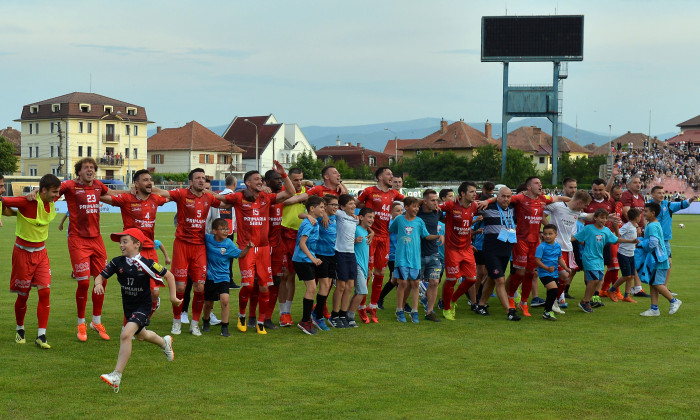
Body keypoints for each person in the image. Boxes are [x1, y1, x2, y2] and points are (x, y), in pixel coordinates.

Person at [95, 228, 181, 393]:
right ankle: (164, 343)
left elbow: (169, 276)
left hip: (143, 306)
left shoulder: (147, 263)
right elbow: (101, 276)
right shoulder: (117, 262)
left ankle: (116, 375)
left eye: (125, 241)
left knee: (126, 335)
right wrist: (98, 283)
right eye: (120, 242)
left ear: (136, 244)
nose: (121, 245)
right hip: (129, 308)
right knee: (141, 336)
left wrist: (172, 297)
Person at [218, 161, 294, 335]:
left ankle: (260, 322)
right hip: (247, 249)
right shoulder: (238, 197)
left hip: (264, 249)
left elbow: (291, 193)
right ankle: (242, 315)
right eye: (256, 179)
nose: (260, 181)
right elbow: (218, 199)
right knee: (248, 286)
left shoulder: (267, 198)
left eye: (261, 179)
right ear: (248, 183)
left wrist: (283, 174)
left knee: (265, 287)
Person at [151, 168, 224, 336]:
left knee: (200, 287)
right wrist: (143, 188)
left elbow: (227, 201)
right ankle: (177, 322)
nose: (201, 180)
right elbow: (162, 191)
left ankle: (195, 324)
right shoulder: (182, 194)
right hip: (182, 245)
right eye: (197, 178)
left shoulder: (209, 197)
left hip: (199, 246)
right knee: (180, 286)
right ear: (191, 181)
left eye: (203, 178)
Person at [2, 174, 61, 348]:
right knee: (23, 295)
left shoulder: (51, 199)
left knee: (45, 292)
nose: (57, 195)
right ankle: (20, 328)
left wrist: (36, 190)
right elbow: (3, 201)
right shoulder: (26, 202)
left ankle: (41, 336)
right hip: (22, 254)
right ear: (44, 190)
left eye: (58, 192)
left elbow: (66, 187)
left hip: (41, 253)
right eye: (54, 192)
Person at [100, 169, 168, 316]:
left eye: (151, 180)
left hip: (150, 251)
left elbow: (172, 197)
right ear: (136, 183)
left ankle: (150, 310)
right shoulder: (126, 199)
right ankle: (135, 324)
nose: (149, 182)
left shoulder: (155, 199)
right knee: (134, 292)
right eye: (145, 180)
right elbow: (104, 197)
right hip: (133, 252)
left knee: (154, 292)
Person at [59, 157, 113, 342]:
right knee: (83, 283)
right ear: (79, 172)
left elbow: (111, 195)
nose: (90, 170)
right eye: (86, 168)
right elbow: (52, 191)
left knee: (102, 280)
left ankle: (96, 322)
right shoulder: (69, 186)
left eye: (92, 167)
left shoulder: (98, 185)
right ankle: (81, 323)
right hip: (77, 240)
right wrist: (36, 193)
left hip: (96, 240)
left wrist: (130, 194)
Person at [508, 176, 569, 316]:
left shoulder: (543, 199)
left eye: (540, 182)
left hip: (535, 242)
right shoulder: (520, 198)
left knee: (531, 273)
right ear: (529, 187)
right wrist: (485, 201)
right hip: (521, 240)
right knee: (521, 272)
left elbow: (558, 199)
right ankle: (511, 297)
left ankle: (524, 303)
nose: (540, 184)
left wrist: (574, 201)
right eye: (536, 183)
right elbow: (503, 199)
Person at [356, 167, 405, 323]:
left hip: (385, 238)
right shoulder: (369, 191)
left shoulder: (394, 194)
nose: (391, 176)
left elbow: (409, 201)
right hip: (370, 237)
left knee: (381, 272)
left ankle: (373, 306)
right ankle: (361, 307)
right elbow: (355, 206)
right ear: (379, 177)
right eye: (389, 174)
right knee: (367, 273)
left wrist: (425, 201)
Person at [438, 181, 489, 320]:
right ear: (462, 194)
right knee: (452, 280)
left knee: (472, 279)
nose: (475, 194)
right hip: (452, 250)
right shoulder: (450, 205)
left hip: (466, 249)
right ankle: (447, 308)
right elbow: (434, 208)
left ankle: (453, 300)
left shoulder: (474, 206)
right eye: (472, 192)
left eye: (475, 191)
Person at [389, 197, 442, 323]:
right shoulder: (399, 219)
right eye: (414, 206)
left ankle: (415, 311)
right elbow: (391, 230)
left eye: (417, 207)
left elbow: (426, 235)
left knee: (415, 284)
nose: (416, 209)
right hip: (401, 257)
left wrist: (439, 236)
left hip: (415, 259)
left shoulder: (419, 221)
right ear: (406, 207)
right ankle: (399, 310)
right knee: (402, 283)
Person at [573, 208, 637, 313]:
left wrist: (631, 241)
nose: (603, 220)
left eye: (605, 218)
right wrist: (561, 240)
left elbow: (616, 240)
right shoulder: (588, 228)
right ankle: (585, 301)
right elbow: (576, 238)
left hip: (599, 259)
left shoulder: (606, 231)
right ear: (595, 218)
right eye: (601, 217)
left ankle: (587, 301)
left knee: (598, 280)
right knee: (593, 280)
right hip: (589, 258)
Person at [202, 218, 252, 337]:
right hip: (209, 277)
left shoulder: (229, 243)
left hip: (224, 277)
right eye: (223, 229)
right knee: (208, 303)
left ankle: (225, 327)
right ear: (214, 231)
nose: (226, 231)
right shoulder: (207, 239)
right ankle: (206, 321)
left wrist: (248, 248)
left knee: (225, 301)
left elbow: (240, 254)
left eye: (227, 229)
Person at [544, 190, 593, 314]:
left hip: (568, 248)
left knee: (565, 277)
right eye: (585, 204)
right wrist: (549, 230)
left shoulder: (577, 212)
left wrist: (605, 217)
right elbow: (541, 212)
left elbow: (588, 216)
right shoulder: (557, 206)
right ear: (579, 202)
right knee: (561, 275)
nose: (585, 207)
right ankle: (553, 301)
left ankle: (555, 300)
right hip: (556, 248)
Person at [476, 187, 520, 320]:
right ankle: (509, 311)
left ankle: (481, 305)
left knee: (491, 278)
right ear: (497, 196)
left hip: (506, 250)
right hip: (491, 250)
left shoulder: (513, 208)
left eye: (508, 196)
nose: (506, 199)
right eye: (502, 196)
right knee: (500, 279)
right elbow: (471, 207)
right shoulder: (488, 207)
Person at [636, 202, 682, 316]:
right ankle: (654, 309)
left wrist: (641, 243)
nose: (644, 213)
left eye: (646, 211)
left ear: (653, 213)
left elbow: (653, 243)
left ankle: (674, 301)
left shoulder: (652, 226)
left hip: (657, 259)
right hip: (657, 259)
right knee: (653, 283)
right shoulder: (654, 224)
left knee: (657, 284)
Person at [648, 185, 695, 287]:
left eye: (663, 193)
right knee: (651, 263)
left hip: (664, 240)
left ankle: (664, 287)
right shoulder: (648, 207)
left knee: (668, 263)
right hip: (652, 239)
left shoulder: (668, 205)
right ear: (653, 194)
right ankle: (645, 286)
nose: (662, 195)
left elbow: (681, 205)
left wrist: (690, 200)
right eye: (659, 193)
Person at [292, 196, 326, 334]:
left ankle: (306, 320)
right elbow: (302, 243)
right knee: (311, 288)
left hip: (306, 259)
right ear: (312, 209)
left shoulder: (314, 221)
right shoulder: (308, 223)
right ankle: (305, 321)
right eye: (322, 207)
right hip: (302, 260)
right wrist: (313, 259)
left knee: (312, 288)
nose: (323, 210)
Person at [278, 167, 307, 326]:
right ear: (288, 179)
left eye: (300, 179)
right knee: (284, 275)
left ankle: (287, 312)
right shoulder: (283, 191)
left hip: (299, 236)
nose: (298, 182)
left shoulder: (307, 192)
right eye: (295, 179)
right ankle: (282, 313)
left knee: (292, 275)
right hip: (283, 234)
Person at [329, 194, 360, 328]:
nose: (353, 206)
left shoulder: (355, 218)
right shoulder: (340, 215)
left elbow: (363, 222)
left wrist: (371, 232)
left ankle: (343, 314)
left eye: (354, 203)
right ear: (342, 207)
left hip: (351, 254)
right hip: (340, 252)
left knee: (350, 286)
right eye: (350, 204)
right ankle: (334, 316)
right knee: (341, 286)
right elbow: (328, 209)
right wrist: (325, 215)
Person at [310, 194, 339, 329]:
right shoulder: (320, 218)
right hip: (321, 255)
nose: (335, 207)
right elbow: (302, 214)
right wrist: (322, 215)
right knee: (324, 286)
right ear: (325, 206)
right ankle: (318, 316)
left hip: (333, 255)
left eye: (337, 205)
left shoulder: (336, 218)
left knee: (327, 286)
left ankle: (316, 311)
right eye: (333, 205)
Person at [620, 175, 651, 298]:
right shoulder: (627, 195)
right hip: (630, 232)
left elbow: (642, 215)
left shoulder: (642, 197)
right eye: (635, 182)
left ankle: (636, 287)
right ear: (628, 185)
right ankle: (636, 288)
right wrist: (636, 226)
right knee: (632, 260)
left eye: (639, 182)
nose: (638, 184)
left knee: (636, 260)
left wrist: (644, 229)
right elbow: (626, 212)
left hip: (639, 231)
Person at [416, 190, 443, 322]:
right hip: (417, 254)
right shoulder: (416, 212)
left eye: (437, 200)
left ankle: (430, 312)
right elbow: (407, 204)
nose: (436, 203)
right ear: (424, 201)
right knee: (413, 284)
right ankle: (407, 309)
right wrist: (420, 202)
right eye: (432, 200)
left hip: (433, 253)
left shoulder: (437, 212)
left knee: (434, 282)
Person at [535, 224, 571, 321]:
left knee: (554, 291)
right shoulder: (541, 247)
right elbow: (537, 261)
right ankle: (547, 311)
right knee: (554, 290)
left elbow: (560, 258)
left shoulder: (557, 246)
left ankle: (550, 308)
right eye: (545, 234)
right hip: (544, 273)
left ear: (556, 235)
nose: (547, 236)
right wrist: (546, 268)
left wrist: (566, 268)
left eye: (550, 234)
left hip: (554, 273)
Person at [347, 207, 375, 326]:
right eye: (369, 217)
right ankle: (350, 316)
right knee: (363, 291)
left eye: (373, 217)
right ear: (361, 217)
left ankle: (347, 314)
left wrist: (368, 268)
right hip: (356, 264)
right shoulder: (356, 229)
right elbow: (345, 241)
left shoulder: (366, 232)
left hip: (363, 266)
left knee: (358, 291)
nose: (372, 219)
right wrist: (353, 241)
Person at [608, 208, 641, 302]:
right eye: (639, 216)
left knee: (631, 276)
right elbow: (616, 237)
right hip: (623, 254)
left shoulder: (634, 226)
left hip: (631, 254)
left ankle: (626, 296)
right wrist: (631, 241)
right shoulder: (627, 226)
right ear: (636, 217)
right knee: (626, 276)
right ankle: (611, 290)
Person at [218, 175, 240, 289]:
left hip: (217, 230)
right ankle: (229, 280)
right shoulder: (234, 197)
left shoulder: (220, 196)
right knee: (229, 256)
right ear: (235, 184)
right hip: (229, 231)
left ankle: (219, 279)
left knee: (218, 256)